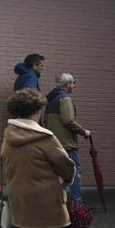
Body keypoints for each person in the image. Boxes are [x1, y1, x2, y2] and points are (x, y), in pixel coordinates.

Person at [1, 89, 76, 228]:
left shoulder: (8, 134)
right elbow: (66, 167)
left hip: (20, 197)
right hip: (45, 200)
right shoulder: (45, 137)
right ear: (37, 110)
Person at [45, 73, 90, 206]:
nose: (74, 85)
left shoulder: (51, 99)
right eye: (73, 82)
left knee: (56, 173)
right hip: (67, 144)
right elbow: (69, 120)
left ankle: (57, 202)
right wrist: (84, 131)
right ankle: (77, 203)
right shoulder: (65, 99)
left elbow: (45, 121)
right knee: (75, 172)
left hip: (53, 143)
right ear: (68, 84)